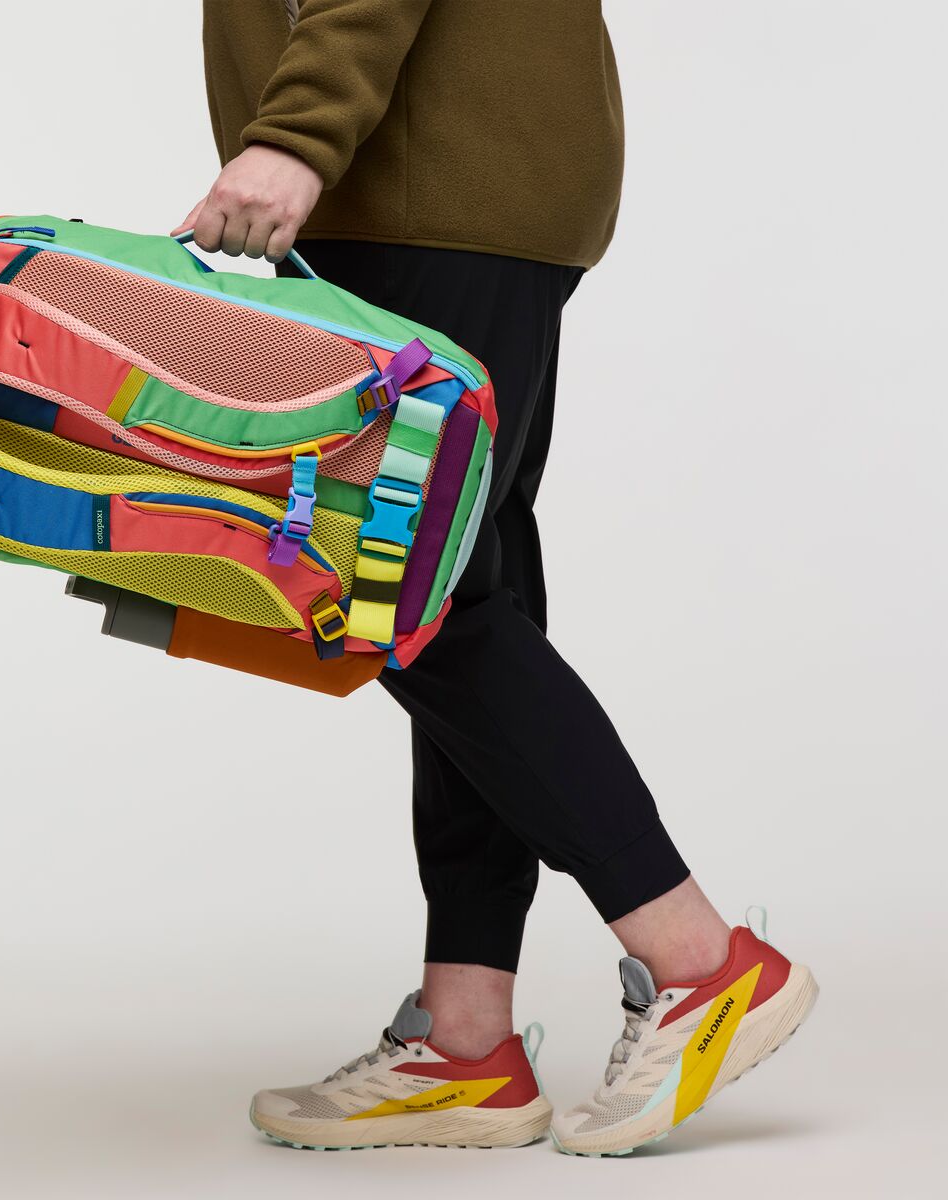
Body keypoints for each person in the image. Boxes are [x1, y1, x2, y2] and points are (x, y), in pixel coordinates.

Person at [182, 0, 817, 1155]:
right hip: (457, 177)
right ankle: (467, 1038)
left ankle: (700, 961)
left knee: (409, 595)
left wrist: (298, 135)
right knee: (461, 590)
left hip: (418, 175)